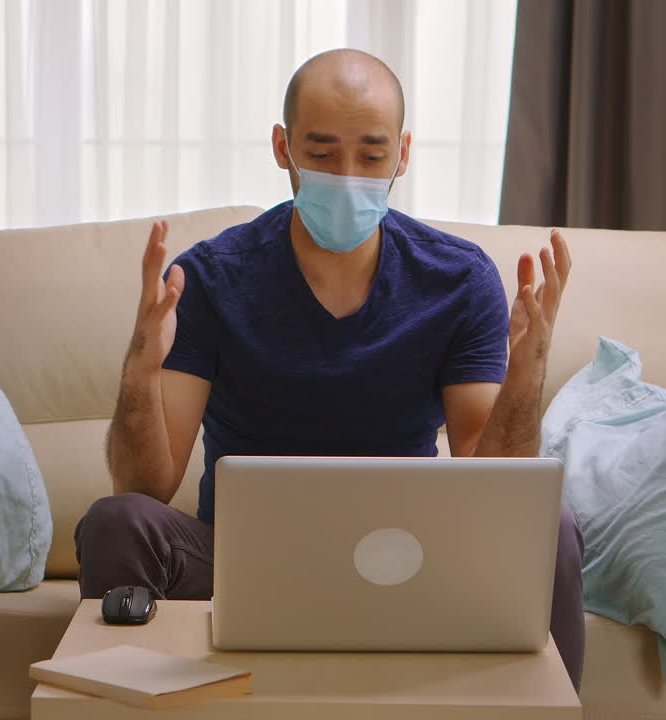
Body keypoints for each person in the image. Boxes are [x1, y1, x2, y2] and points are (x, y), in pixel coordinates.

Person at [74, 48, 583, 691]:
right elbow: (144, 486)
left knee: (550, 524)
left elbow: (497, 485)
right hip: (242, 564)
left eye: (370, 156)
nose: (347, 176)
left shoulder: (459, 279)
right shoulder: (209, 278)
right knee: (115, 520)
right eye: (321, 154)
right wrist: (140, 370)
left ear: (402, 154)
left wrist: (527, 371)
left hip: (413, 564)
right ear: (283, 147)